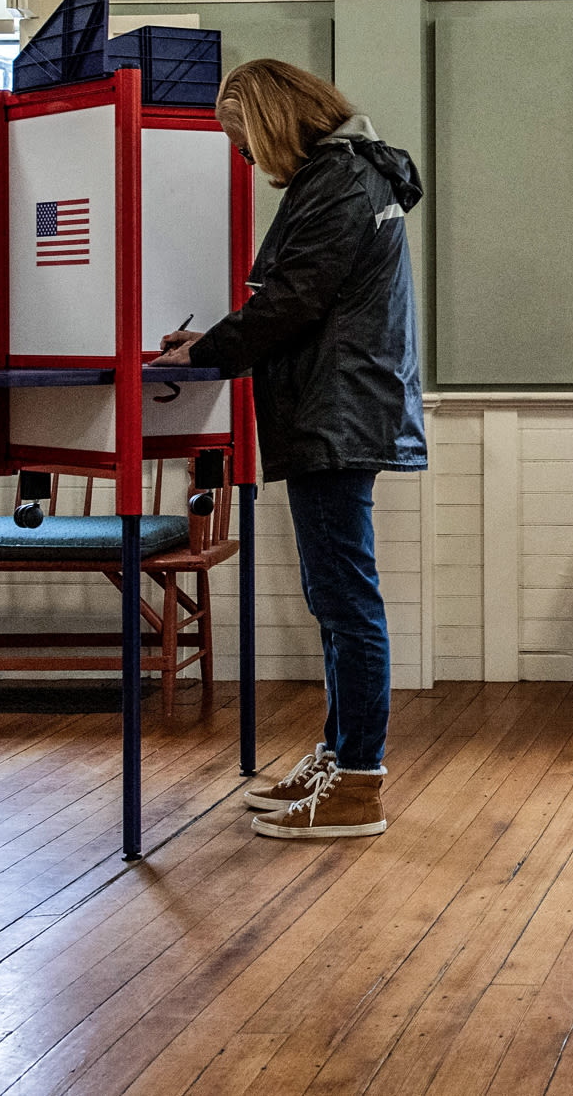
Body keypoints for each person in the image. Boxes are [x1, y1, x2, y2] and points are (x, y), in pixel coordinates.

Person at [152, 57, 425, 841]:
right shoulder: (347, 176)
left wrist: (204, 355)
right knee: (335, 600)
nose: (244, 157)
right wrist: (214, 340)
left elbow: (294, 302)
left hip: (334, 414)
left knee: (346, 600)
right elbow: (304, 300)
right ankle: (340, 759)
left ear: (271, 121)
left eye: (243, 138)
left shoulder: (340, 182)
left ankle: (359, 780)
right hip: (335, 407)